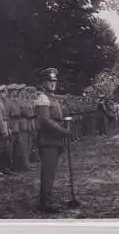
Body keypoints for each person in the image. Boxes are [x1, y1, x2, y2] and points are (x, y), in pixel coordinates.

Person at [34, 67, 71, 213]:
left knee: (52, 171)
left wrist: (65, 124)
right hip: (48, 139)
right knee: (48, 172)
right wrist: (63, 131)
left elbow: (56, 117)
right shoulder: (42, 98)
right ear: (43, 83)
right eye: (49, 81)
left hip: (54, 139)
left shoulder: (52, 98)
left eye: (54, 81)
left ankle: (48, 198)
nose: (52, 83)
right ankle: (45, 203)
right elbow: (45, 120)